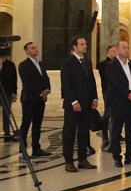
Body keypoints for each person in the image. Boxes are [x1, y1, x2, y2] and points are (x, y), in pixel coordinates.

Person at [60, 36, 98, 172]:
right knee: (69, 132)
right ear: (75, 47)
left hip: (87, 103)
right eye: (82, 44)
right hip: (73, 104)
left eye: (85, 43)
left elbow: (91, 81)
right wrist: (73, 101)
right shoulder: (68, 62)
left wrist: (95, 97)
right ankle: (68, 161)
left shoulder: (87, 62)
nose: (85, 46)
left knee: (84, 132)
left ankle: (82, 159)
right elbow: (66, 84)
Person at [106, 41, 131, 167]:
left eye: (128, 47)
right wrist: (128, 93)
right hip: (119, 101)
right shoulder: (112, 65)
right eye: (123, 48)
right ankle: (117, 156)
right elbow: (114, 83)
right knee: (116, 129)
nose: (126, 50)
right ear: (116, 50)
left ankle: (129, 155)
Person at [18, 42, 51, 157]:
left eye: (36, 47)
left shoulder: (40, 64)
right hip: (29, 99)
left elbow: (45, 78)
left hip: (40, 100)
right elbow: (27, 83)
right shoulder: (24, 65)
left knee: (37, 124)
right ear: (27, 52)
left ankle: (36, 148)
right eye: (32, 48)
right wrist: (40, 92)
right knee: (26, 124)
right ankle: (22, 150)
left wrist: (47, 90)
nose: (36, 49)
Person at [96, 45, 117, 149]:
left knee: (116, 113)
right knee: (108, 112)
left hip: (116, 91)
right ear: (109, 52)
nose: (116, 53)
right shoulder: (103, 64)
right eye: (114, 51)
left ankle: (115, 133)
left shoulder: (117, 64)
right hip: (107, 91)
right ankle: (105, 133)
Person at [0, 54, 18, 141]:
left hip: (7, 92)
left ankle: (7, 132)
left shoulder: (10, 64)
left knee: (7, 113)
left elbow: (14, 79)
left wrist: (15, 92)